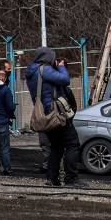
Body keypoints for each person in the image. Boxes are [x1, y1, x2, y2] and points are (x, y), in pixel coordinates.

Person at [24, 49, 82, 187]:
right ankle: (71, 178)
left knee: (56, 146)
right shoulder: (44, 69)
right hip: (56, 114)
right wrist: (61, 67)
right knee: (72, 144)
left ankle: (52, 178)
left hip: (45, 114)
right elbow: (65, 80)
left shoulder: (32, 71)